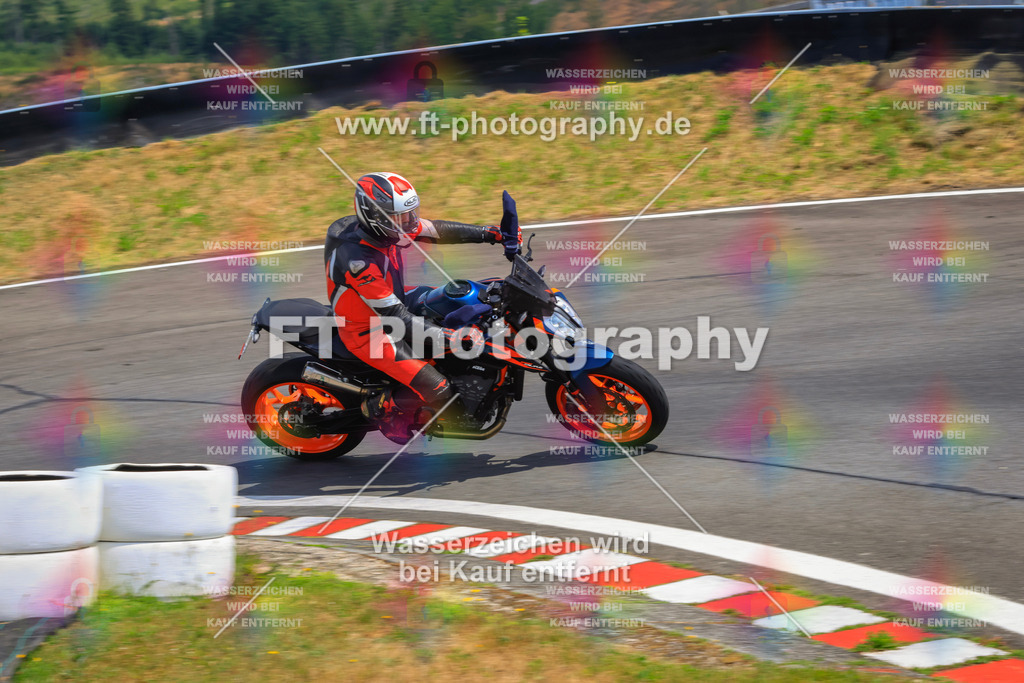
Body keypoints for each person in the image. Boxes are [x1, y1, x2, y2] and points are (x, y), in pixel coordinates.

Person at [324, 171, 521, 442]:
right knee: (439, 387)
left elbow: (437, 230)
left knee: (460, 299)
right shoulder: (360, 263)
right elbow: (397, 319)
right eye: (399, 217)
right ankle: (385, 410)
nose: (408, 223)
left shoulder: (385, 229)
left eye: (410, 214)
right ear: (375, 216)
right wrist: (451, 337)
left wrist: (492, 234)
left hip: (394, 302)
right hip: (370, 331)